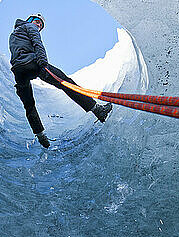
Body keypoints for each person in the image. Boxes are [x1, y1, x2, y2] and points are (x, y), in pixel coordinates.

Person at [9, 13, 112, 148]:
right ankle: (97, 109)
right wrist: (42, 61)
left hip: (18, 70)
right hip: (32, 63)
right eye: (37, 21)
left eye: (40, 25)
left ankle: (41, 136)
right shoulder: (30, 27)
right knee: (65, 82)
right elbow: (37, 43)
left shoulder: (14, 34)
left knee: (29, 104)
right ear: (30, 20)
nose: (38, 25)